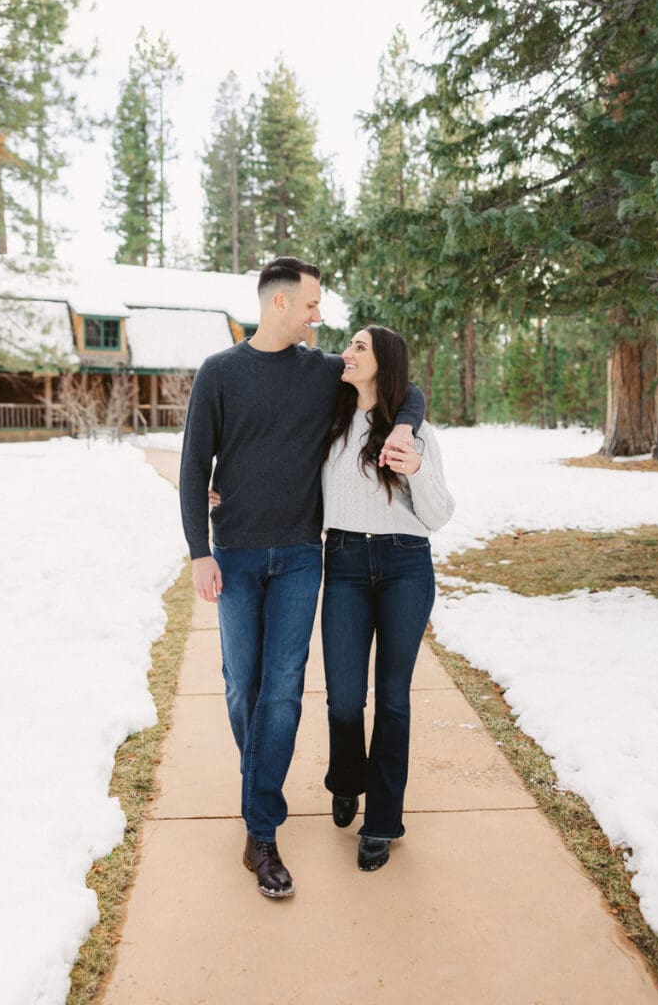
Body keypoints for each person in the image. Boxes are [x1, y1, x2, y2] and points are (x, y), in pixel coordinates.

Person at [179, 258, 425, 898]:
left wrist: (406, 426)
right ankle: (261, 783)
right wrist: (198, 551)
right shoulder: (219, 373)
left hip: (297, 557)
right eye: (313, 304)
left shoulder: (323, 373)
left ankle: (262, 832)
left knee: (283, 690)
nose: (320, 316)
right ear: (281, 304)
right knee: (243, 689)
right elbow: (190, 467)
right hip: (232, 555)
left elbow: (406, 387)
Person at [320, 325, 455, 872]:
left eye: (359, 347)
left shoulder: (415, 431)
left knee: (393, 698)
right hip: (346, 563)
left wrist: (417, 468)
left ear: (385, 363)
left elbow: (440, 514)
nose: (347, 353)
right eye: (349, 345)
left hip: (405, 563)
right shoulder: (330, 420)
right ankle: (348, 779)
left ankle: (382, 820)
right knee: (344, 698)